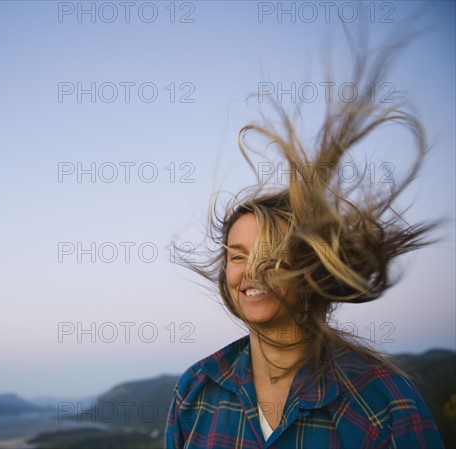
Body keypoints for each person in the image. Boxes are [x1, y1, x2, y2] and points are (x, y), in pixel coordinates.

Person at [164, 37, 446, 449]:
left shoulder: (386, 403)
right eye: (237, 256)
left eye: (272, 257)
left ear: (313, 269)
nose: (251, 271)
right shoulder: (197, 391)